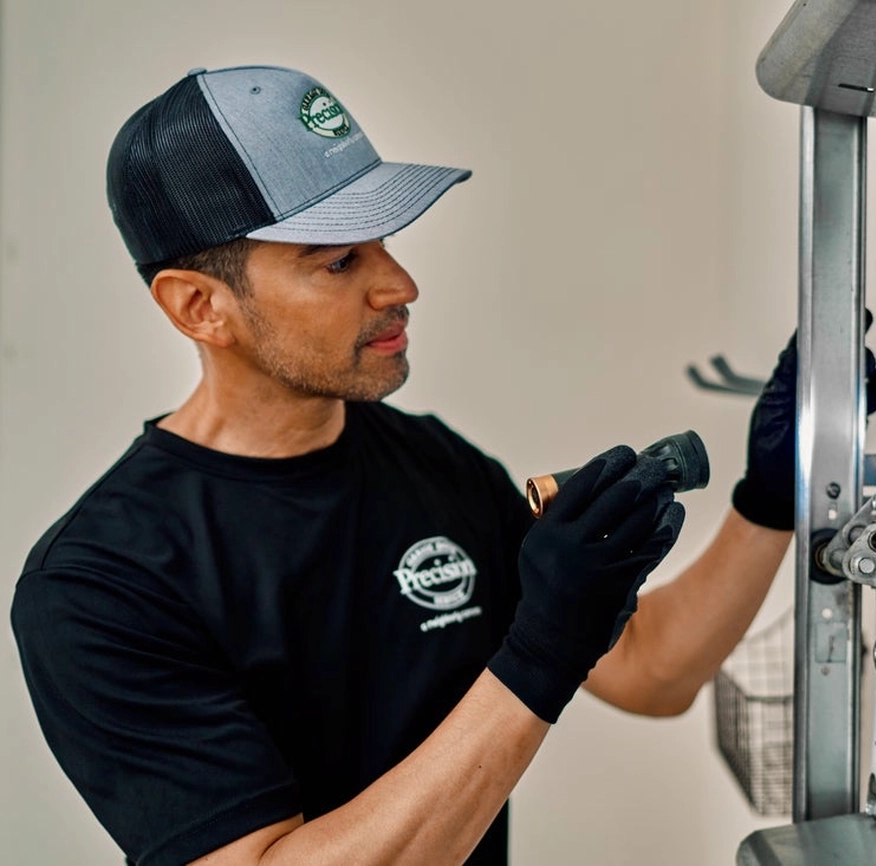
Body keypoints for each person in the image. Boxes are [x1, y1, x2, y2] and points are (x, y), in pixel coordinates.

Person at [9, 65, 797, 866]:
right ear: (200, 307)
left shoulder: (430, 462)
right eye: (339, 261)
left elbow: (650, 673)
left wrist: (773, 494)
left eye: (384, 241)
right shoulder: (99, 583)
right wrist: (541, 654)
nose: (402, 284)